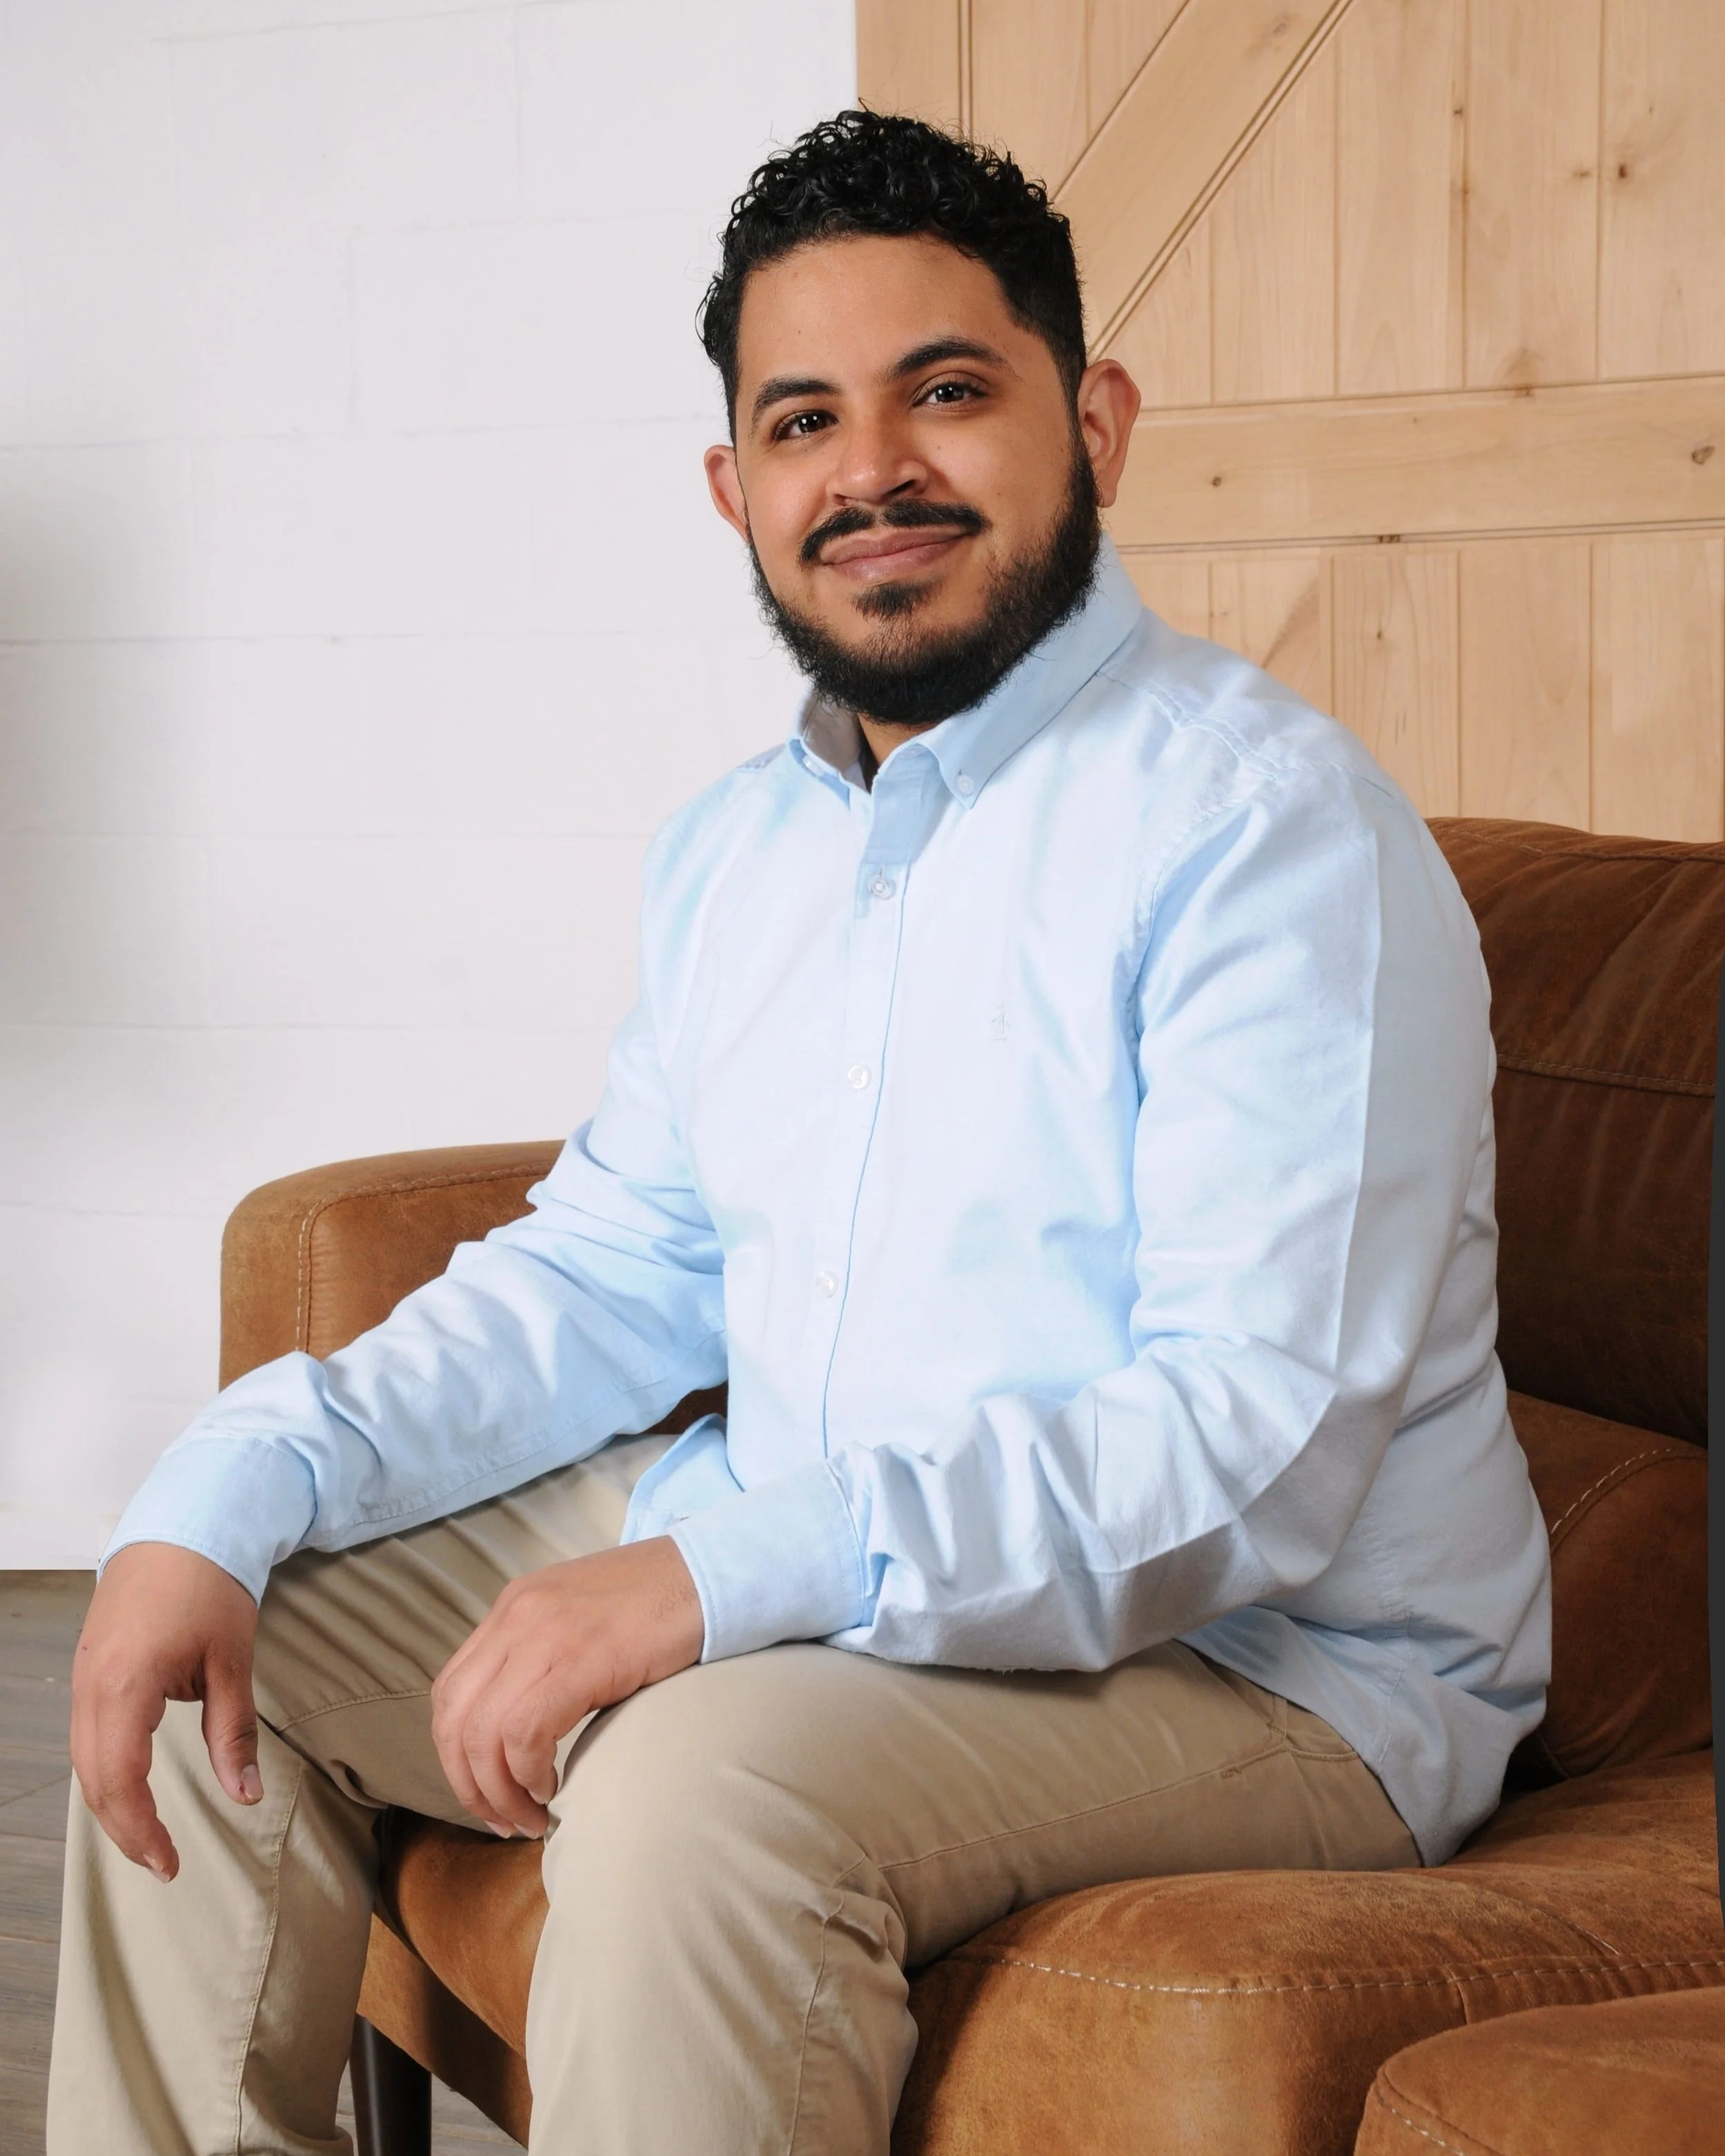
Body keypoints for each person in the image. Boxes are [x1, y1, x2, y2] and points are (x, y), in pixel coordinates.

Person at [50, 111, 1550, 2156]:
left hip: (1264, 1670)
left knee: (698, 1787)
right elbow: (616, 1266)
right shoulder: (740, 852)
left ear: (1091, 421)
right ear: (733, 485)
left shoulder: (1265, 834)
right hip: (839, 1558)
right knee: (220, 1617)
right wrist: (227, 1474)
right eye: (803, 420)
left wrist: (716, 1570)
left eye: (948, 391)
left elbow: (1246, 1447)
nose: (871, 472)